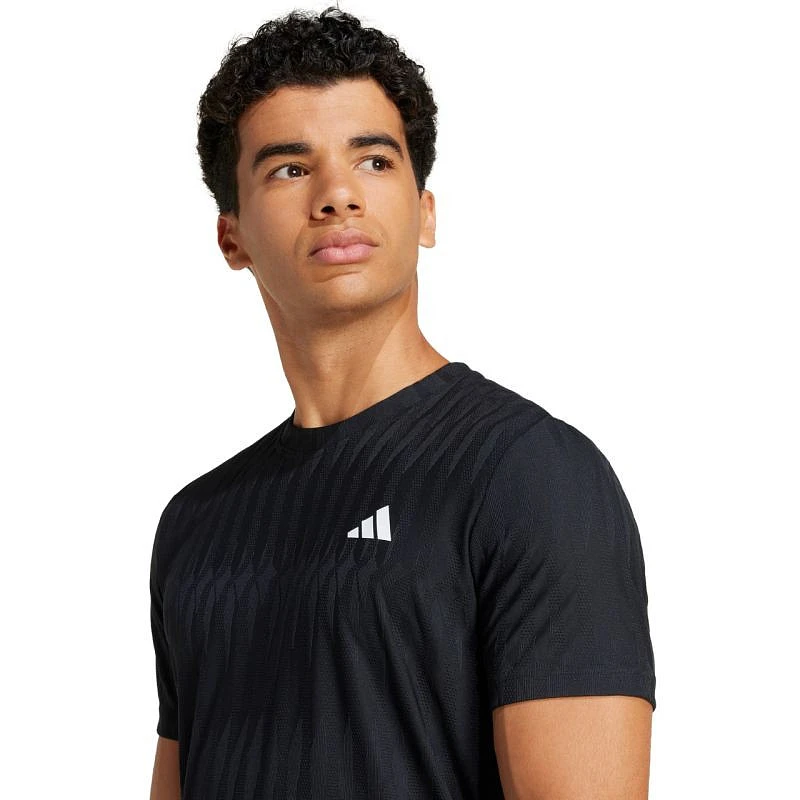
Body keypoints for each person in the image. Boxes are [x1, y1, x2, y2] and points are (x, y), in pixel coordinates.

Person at [149, 7, 656, 798]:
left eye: (375, 161)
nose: (337, 195)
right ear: (232, 236)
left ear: (424, 212)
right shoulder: (195, 524)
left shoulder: (532, 477)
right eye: (290, 169)